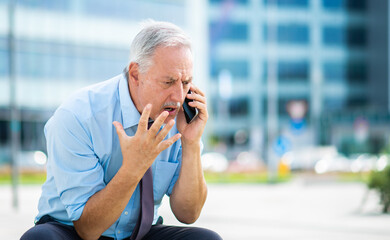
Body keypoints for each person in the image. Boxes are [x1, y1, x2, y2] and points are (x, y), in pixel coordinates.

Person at [21, 20, 222, 240]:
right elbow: (88, 228)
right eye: (168, 82)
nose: (179, 97)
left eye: (185, 83)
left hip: (138, 232)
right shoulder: (78, 116)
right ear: (135, 74)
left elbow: (188, 214)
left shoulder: (180, 120)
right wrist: (134, 167)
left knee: (206, 238)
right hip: (71, 230)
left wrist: (191, 143)